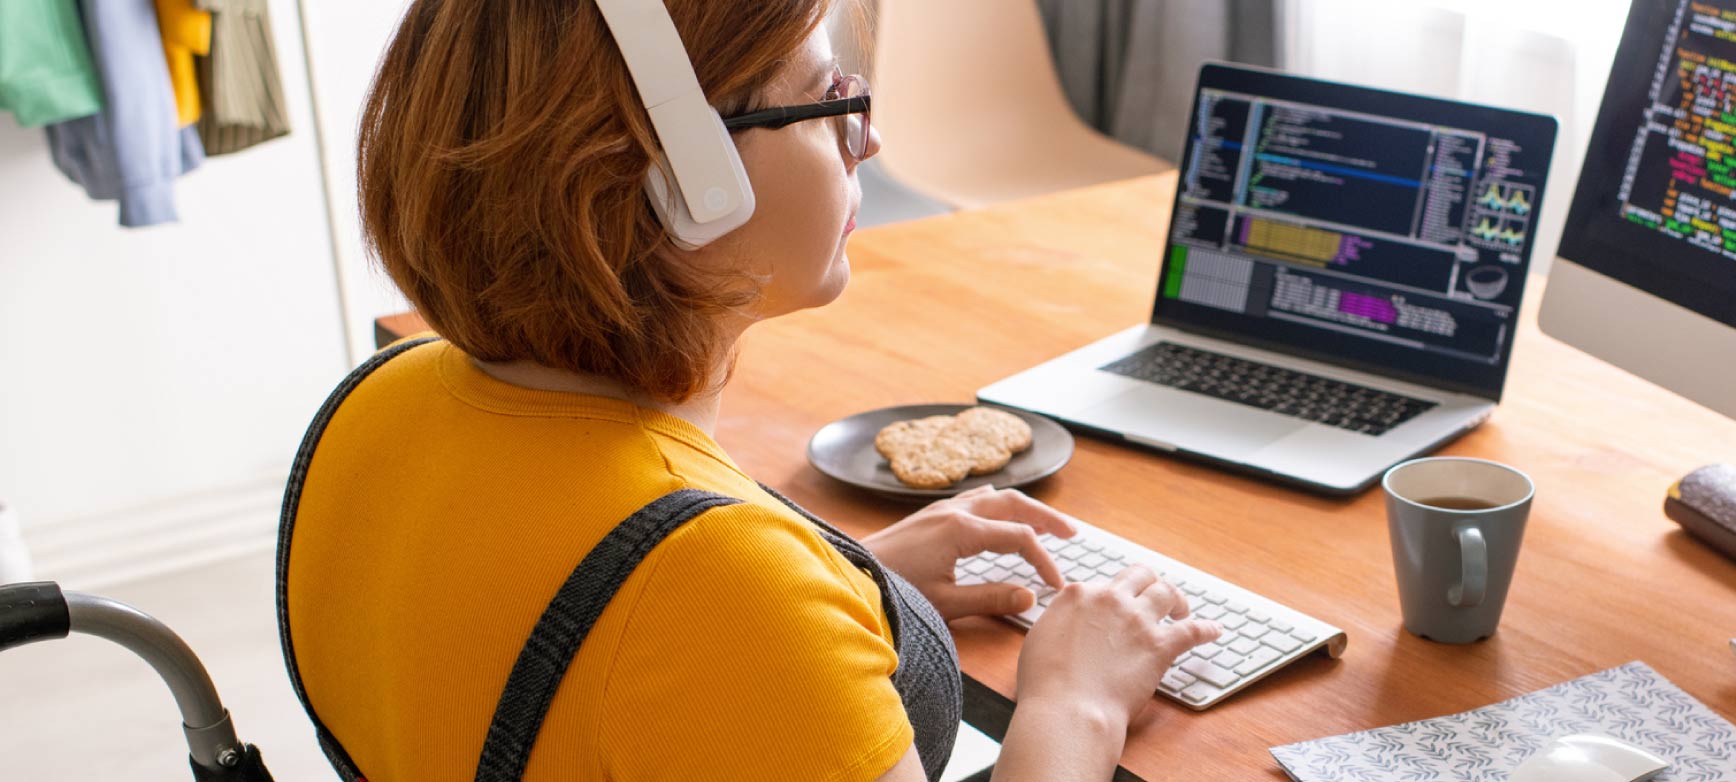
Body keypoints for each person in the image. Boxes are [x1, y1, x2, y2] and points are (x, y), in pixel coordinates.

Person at [277, 1, 1219, 780]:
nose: (871, 136)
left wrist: (838, 583)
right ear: (686, 179)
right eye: (826, 99)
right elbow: (691, 616)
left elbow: (590, 653)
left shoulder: (378, 401)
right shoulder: (721, 592)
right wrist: (1077, 704)